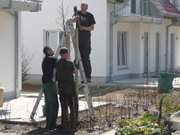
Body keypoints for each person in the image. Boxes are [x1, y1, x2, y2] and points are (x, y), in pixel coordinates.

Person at [56, 47, 79, 130]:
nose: (68, 55)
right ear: (65, 54)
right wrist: (76, 64)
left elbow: (56, 75)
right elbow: (74, 71)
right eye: (67, 53)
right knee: (72, 107)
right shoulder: (69, 63)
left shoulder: (57, 63)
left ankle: (64, 125)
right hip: (69, 89)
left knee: (63, 108)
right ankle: (72, 125)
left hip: (61, 89)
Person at [74, 3, 96, 82]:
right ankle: (75, 70)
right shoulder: (77, 14)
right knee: (77, 57)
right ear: (81, 7)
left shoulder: (90, 16)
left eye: (85, 7)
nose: (83, 8)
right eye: (82, 6)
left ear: (87, 7)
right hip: (78, 38)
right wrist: (74, 19)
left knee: (85, 58)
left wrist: (83, 28)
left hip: (86, 40)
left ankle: (87, 77)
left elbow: (92, 28)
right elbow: (73, 20)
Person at [42, 46, 59, 130]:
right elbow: (55, 70)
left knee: (48, 104)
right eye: (51, 49)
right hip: (50, 84)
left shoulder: (44, 60)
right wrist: (54, 78)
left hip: (44, 84)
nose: (53, 50)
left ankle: (48, 124)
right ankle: (52, 125)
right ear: (48, 51)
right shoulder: (53, 60)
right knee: (54, 104)